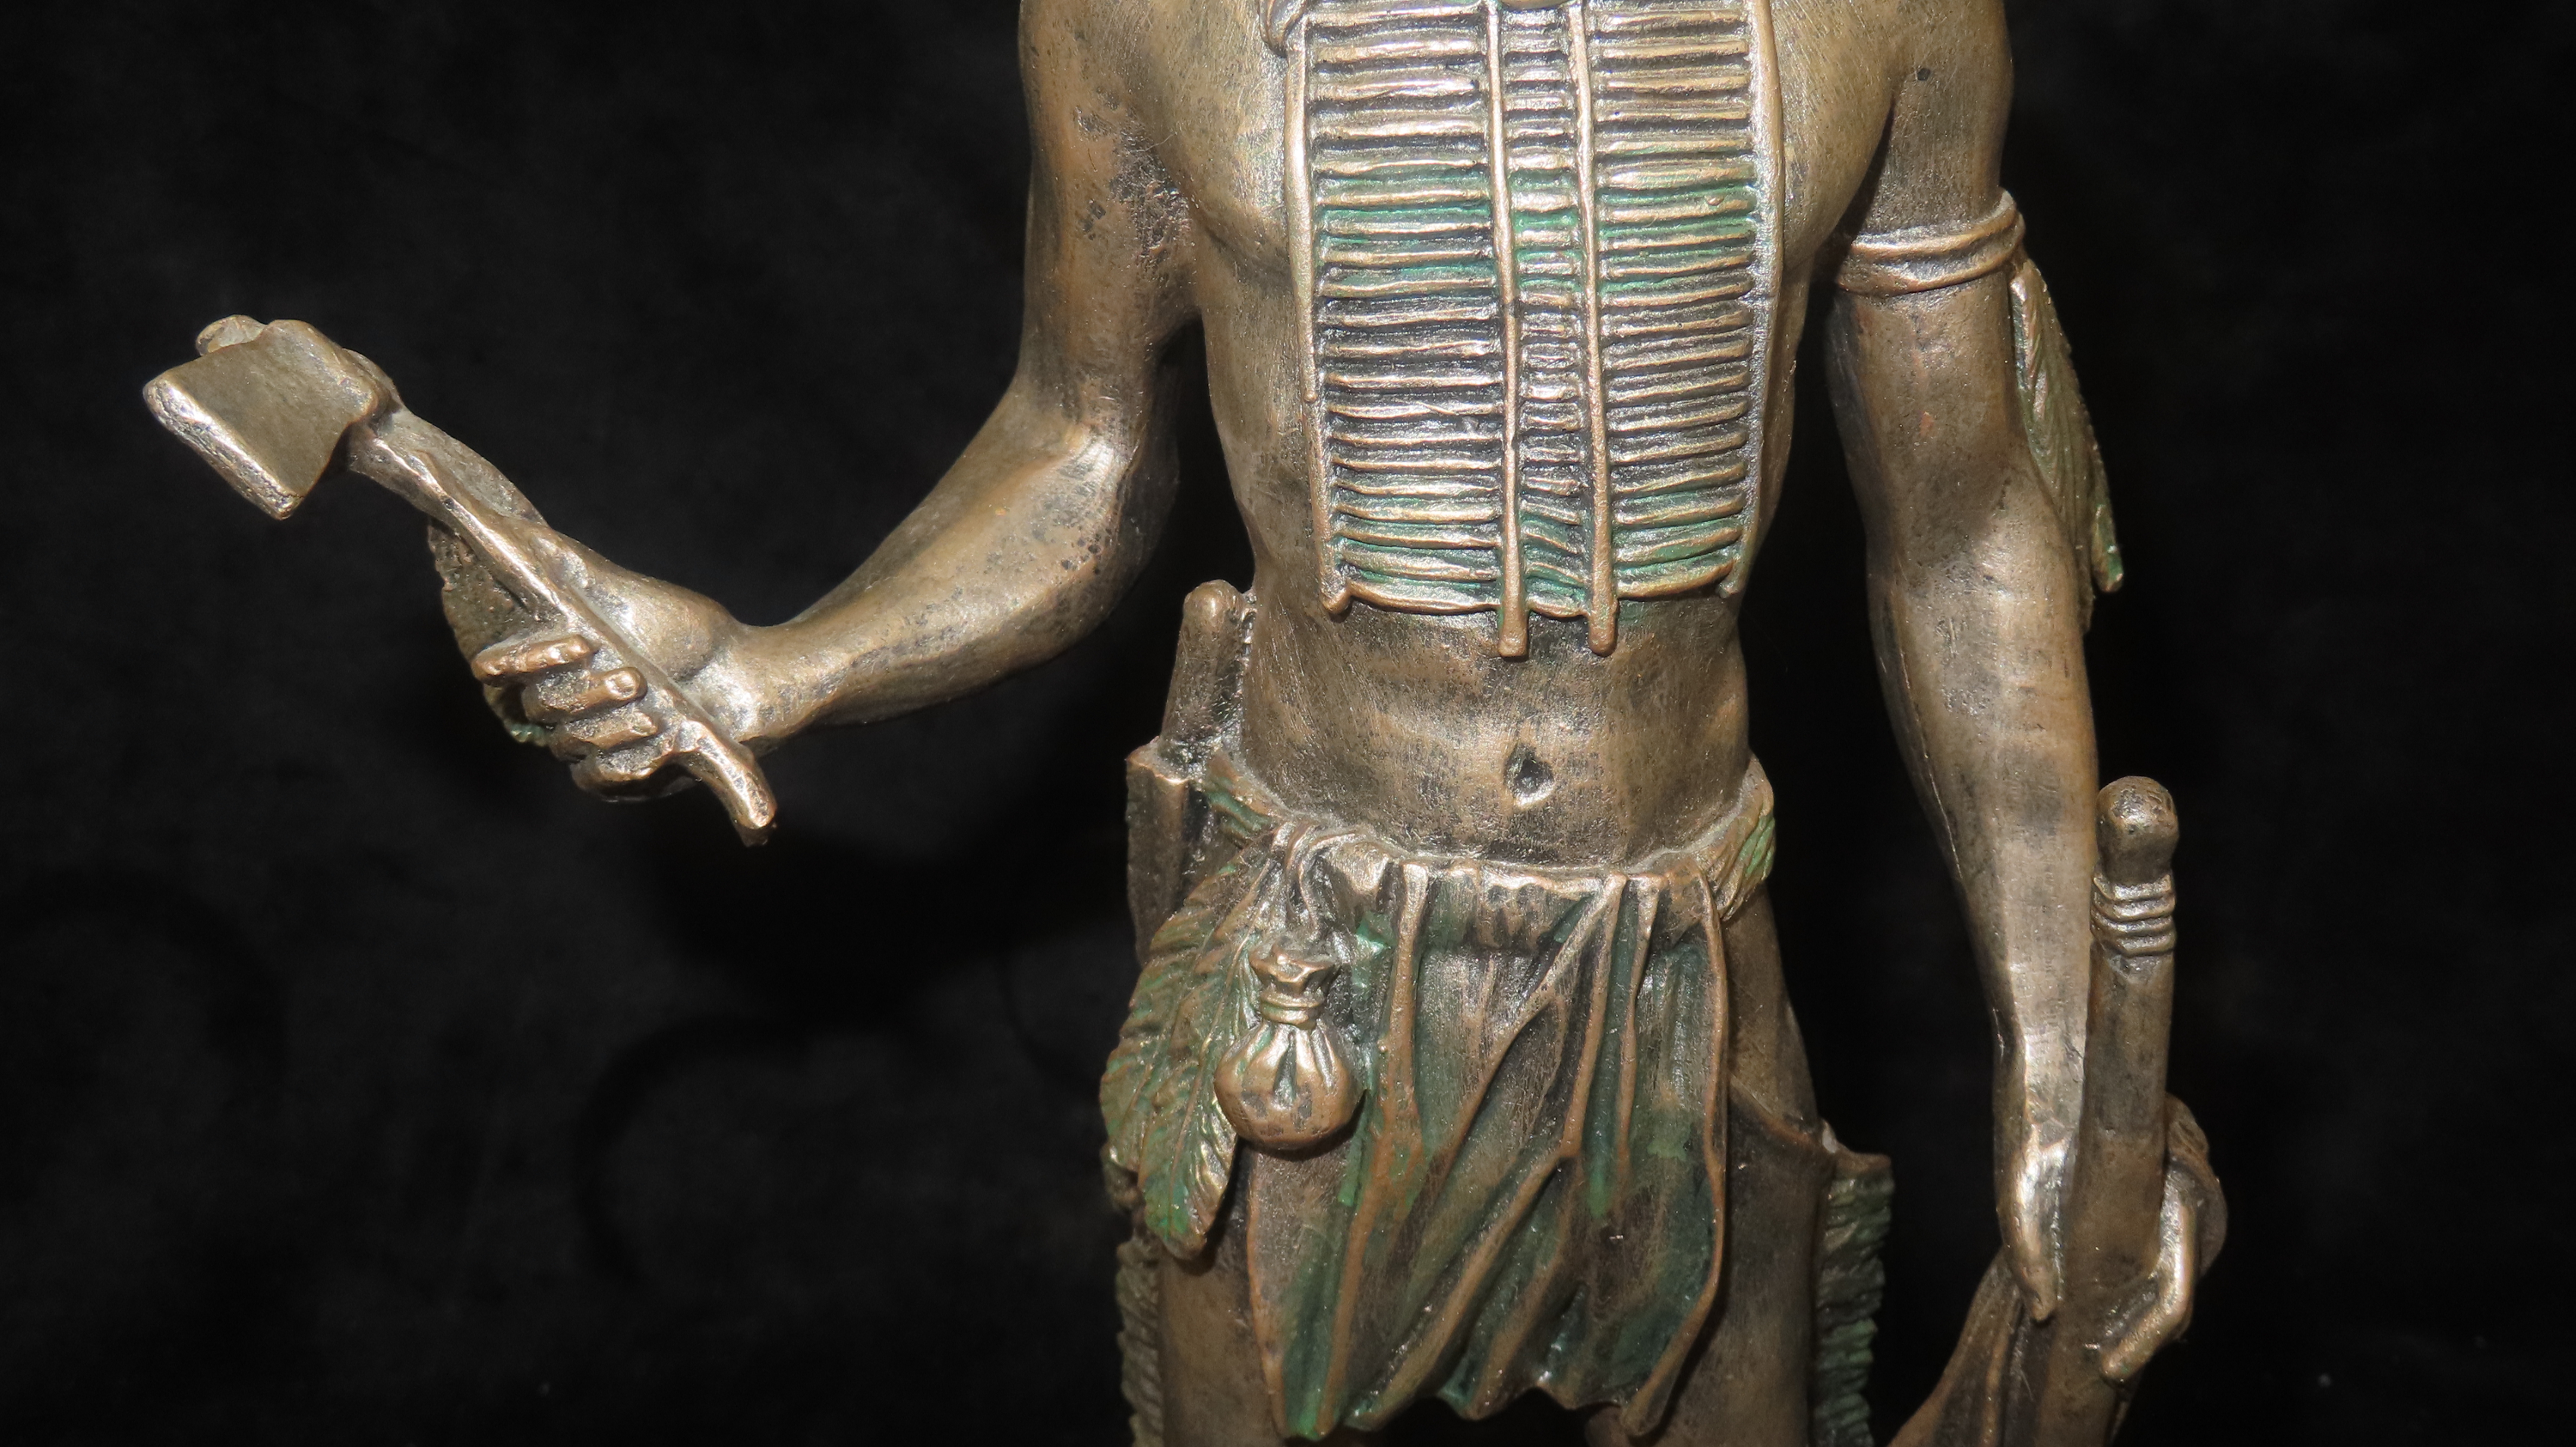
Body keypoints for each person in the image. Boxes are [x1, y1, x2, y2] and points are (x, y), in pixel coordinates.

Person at [440, 3, 2213, 1443]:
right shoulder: (1143, 13)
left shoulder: (1891, 14)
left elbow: (1967, 531)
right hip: (1306, 964)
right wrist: (782, 665)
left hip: (1686, 961)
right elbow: (1077, 448)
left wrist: (2059, 1049)